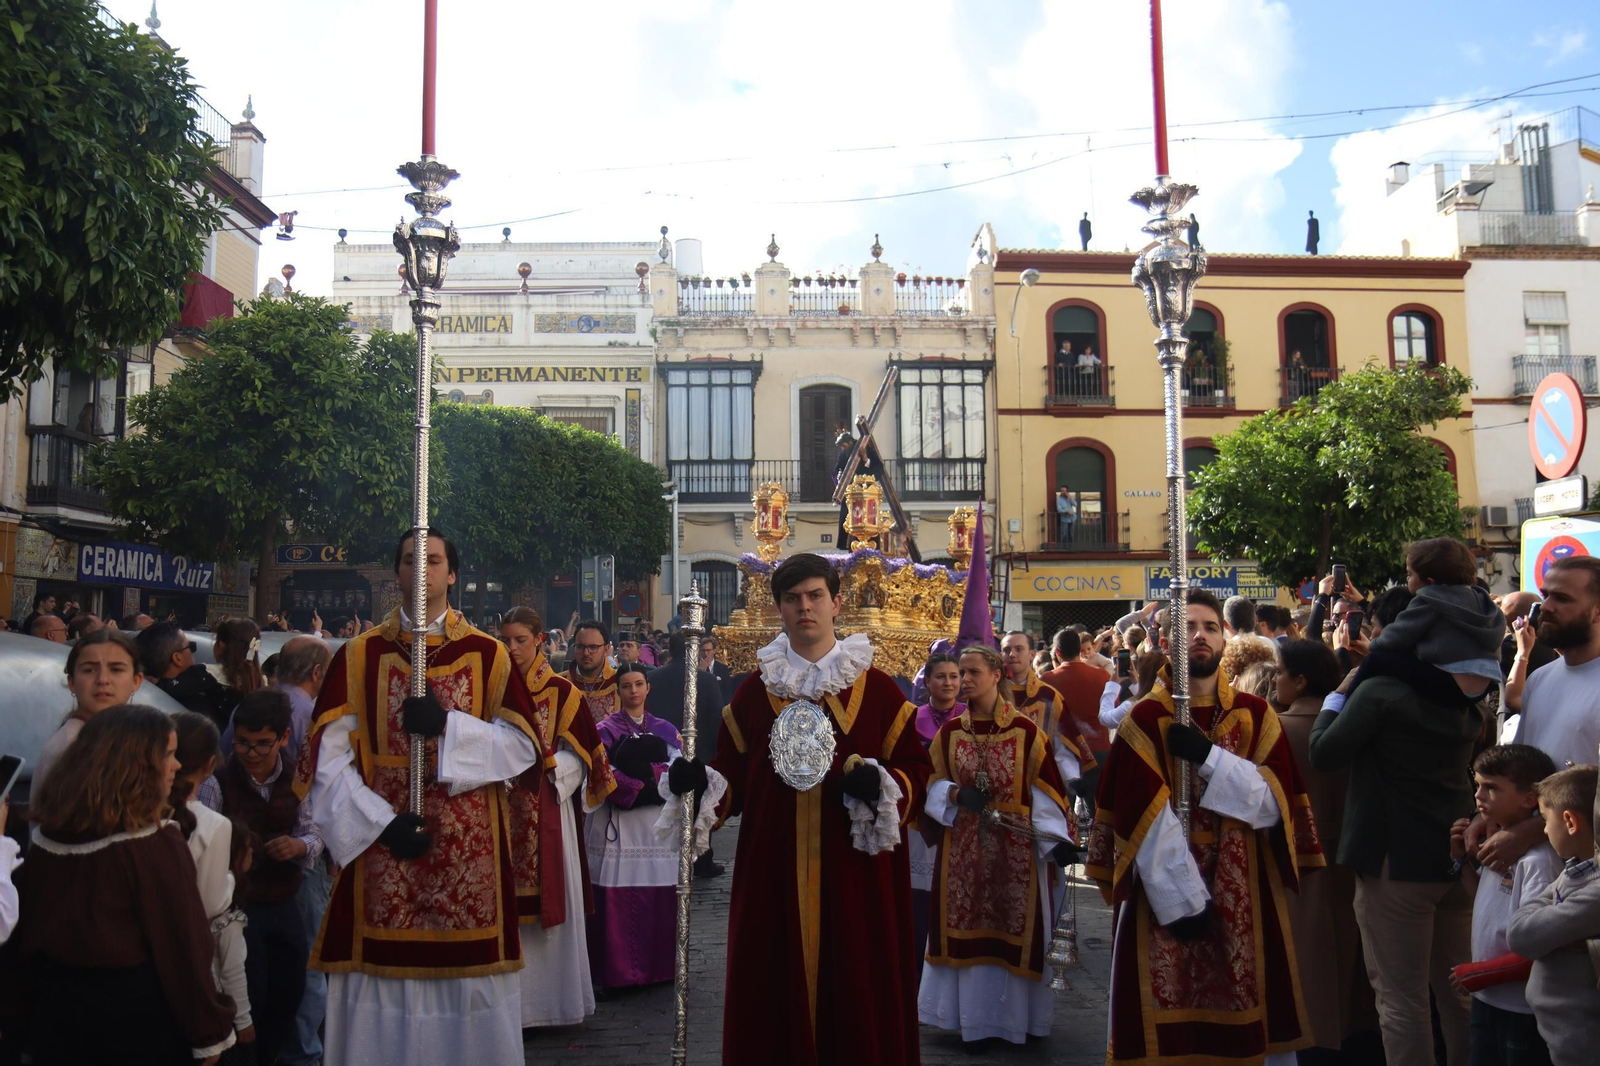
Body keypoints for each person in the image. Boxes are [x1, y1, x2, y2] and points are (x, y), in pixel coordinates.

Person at [662, 552, 933, 1066]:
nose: (804, 608)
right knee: (772, 994)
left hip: (857, 880)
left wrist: (883, 783)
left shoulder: (876, 691)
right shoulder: (754, 693)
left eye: (814, 596)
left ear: (835, 603)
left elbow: (917, 772)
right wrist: (695, 784)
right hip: (773, 876)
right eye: (792, 599)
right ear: (780, 608)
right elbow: (728, 781)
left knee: (856, 996)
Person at [295, 531, 545, 1066]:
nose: (422, 570)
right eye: (411, 560)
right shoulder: (358, 655)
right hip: (381, 857)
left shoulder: (489, 653)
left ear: (452, 574)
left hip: (467, 854)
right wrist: (378, 823)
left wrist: (450, 728)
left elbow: (525, 746)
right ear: (397, 573)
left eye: (433, 560)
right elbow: (329, 759)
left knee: (471, 1001)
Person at [1087, 588, 1323, 1065]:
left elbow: (1274, 806)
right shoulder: (1145, 719)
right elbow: (1141, 819)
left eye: (1211, 627)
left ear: (1225, 638)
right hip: (1164, 894)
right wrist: (1182, 899)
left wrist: (1208, 757)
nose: (1200, 636)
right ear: (1167, 638)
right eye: (1188, 627)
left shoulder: (1257, 716)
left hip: (1246, 886)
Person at [1310, 580, 1488, 1066]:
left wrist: (1341, 691)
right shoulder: (1466, 694)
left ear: (1392, 632)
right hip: (1455, 855)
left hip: (1395, 861)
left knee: (1400, 1001)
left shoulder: (1381, 691)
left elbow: (1323, 750)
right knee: (1459, 993)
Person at [11, 705, 238, 1064]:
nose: (177, 766)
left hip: (53, 1018)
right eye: (167, 755)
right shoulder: (152, 846)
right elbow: (184, 947)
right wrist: (209, 1033)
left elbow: (23, 938)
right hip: (131, 1025)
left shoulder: (47, 837)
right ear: (135, 765)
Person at [918, 644, 1074, 1047]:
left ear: (996, 675)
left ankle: (1016, 1022)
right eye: (960, 672)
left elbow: (1045, 790)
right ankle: (968, 1020)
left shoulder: (1026, 732)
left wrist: (1054, 841)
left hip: (1016, 849)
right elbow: (929, 784)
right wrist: (954, 795)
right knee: (964, 924)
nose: (964, 680)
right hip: (963, 849)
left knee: (1014, 927)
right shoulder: (950, 734)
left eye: (972, 672)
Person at [498, 605, 616, 1029]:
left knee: (550, 906)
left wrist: (548, 771)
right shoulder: (493, 689)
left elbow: (584, 759)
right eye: (506, 640)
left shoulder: (563, 693)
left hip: (548, 809)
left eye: (521, 640)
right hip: (499, 810)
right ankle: (510, 1010)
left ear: (540, 642)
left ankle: (551, 1005)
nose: (512, 648)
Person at [1273, 637, 1381, 1060]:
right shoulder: (1360, 725)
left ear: (1299, 681)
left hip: (1299, 860)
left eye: (1280, 673)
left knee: (1309, 961)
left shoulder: (1278, 730)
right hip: (1354, 856)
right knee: (1354, 960)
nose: (1275, 681)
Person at [219, 690, 320, 1066]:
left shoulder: (298, 779)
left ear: (283, 738)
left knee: (288, 990)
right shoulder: (219, 780)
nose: (252, 753)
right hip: (236, 906)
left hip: (283, 901)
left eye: (263, 744)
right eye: (243, 742)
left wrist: (299, 846)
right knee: (249, 992)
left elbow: (314, 830)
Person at [1446, 745, 1561, 1066]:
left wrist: (1482, 974)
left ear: (1528, 798)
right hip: (1488, 999)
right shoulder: (1501, 845)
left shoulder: (1537, 860)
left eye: (1492, 788)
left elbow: (1540, 940)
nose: (1478, 795)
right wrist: (1461, 861)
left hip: (1520, 1006)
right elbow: (1482, 900)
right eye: (1478, 784)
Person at [588, 663, 682, 988]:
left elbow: (678, 766)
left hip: (655, 825)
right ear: (618, 690)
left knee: (660, 891)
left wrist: (651, 779)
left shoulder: (665, 727)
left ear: (647, 687)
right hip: (621, 826)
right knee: (621, 894)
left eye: (639, 684)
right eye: (626, 685)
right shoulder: (605, 728)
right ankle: (621, 970)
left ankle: (661, 968)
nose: (633, 691)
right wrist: (636, 786)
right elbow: (601, 767)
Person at [170, 711, 256, 1061]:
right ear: (210, 765)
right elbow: (209, 906)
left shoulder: (140, 813)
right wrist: (233, 876)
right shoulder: (215, 825)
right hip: (194, 970)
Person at [1506, 766, 1600, 1066]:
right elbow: (1528, 915)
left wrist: (1550, 922)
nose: (1544, 831)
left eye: (1545, 821)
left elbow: (1521, 935)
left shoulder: (1595, 892)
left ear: (1570, 822)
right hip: (1560, 1033)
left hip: (1579, 1041)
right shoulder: (1576, 871)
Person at [644, 631, 724, 877]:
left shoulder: (652, 677)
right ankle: (701, 859)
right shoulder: (707, 681)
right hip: (699, 753)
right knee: (699, 808)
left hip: (662, 751)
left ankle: (667, 858)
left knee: (666, 805)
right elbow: (716, 719)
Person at [33, 628, 145, 791]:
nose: (103, 680)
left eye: (116, 669)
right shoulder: (72, 748)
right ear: (71, 682)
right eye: (89, 670)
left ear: (136, 680)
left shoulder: (123, 736)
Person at [909, 651, 963, 965]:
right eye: (941, 676)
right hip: (921, 820)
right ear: (927, 681)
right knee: (922, 897)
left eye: (954, 676)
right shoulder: (911, 718)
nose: (948, 682)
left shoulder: (970, 717)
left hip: (960, 819)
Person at [1039, 626, 1111, 801]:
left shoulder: (1046, 680)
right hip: (1099, 749)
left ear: (1057, 653)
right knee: (1099, 809)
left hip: (1064, 754)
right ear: (1079, 650)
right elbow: (1111, 712)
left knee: (1067, 810)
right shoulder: (1102, 676)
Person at [140, 620, 234, 730]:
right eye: (191, 646)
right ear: (177, 659)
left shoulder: (140, 703)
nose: (193, 652)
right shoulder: (207, 705)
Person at [568, 619, 619, 725]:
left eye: (593, 647)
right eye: (580, 647)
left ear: (606, 648)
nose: (586, 653)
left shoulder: (620, 683)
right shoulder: (560, 683)